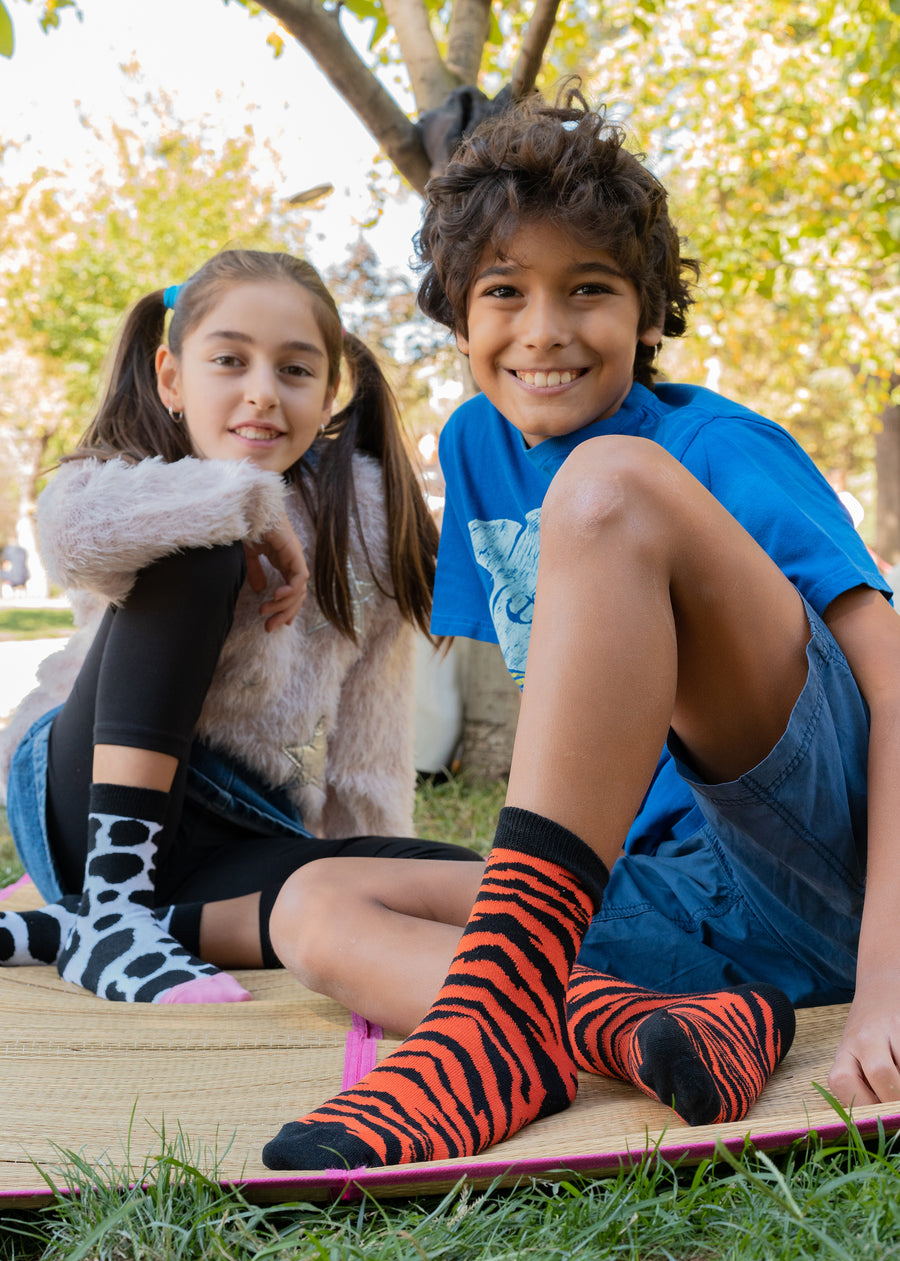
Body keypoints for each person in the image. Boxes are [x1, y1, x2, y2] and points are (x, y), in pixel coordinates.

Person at [260, 88, 900, 1174]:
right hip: (680, 911)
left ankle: (500, 1014)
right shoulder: (478, 445)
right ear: (460, 320)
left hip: (818, 855)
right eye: (504, 291)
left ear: (648, 315)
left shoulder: (708, 448)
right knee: (314, 904)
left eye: (589, 290)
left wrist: (890, 982)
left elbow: (890, 690)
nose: (544, 330)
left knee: (607, 488)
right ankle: (632, 1030)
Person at [0, 248, 479, 1004]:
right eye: (229, 361)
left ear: (327, 395)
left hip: (244, 823)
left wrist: (356, 863)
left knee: (481, 890)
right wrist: (249, 505)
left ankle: (79, 929)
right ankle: (113, 907)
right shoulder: (137, 472)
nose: (262, 394)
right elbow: (68, 536)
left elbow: (369, 739)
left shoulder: (364, 515)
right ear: (171, 379)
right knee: (202, 542)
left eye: (294, 371)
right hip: (86, 795)